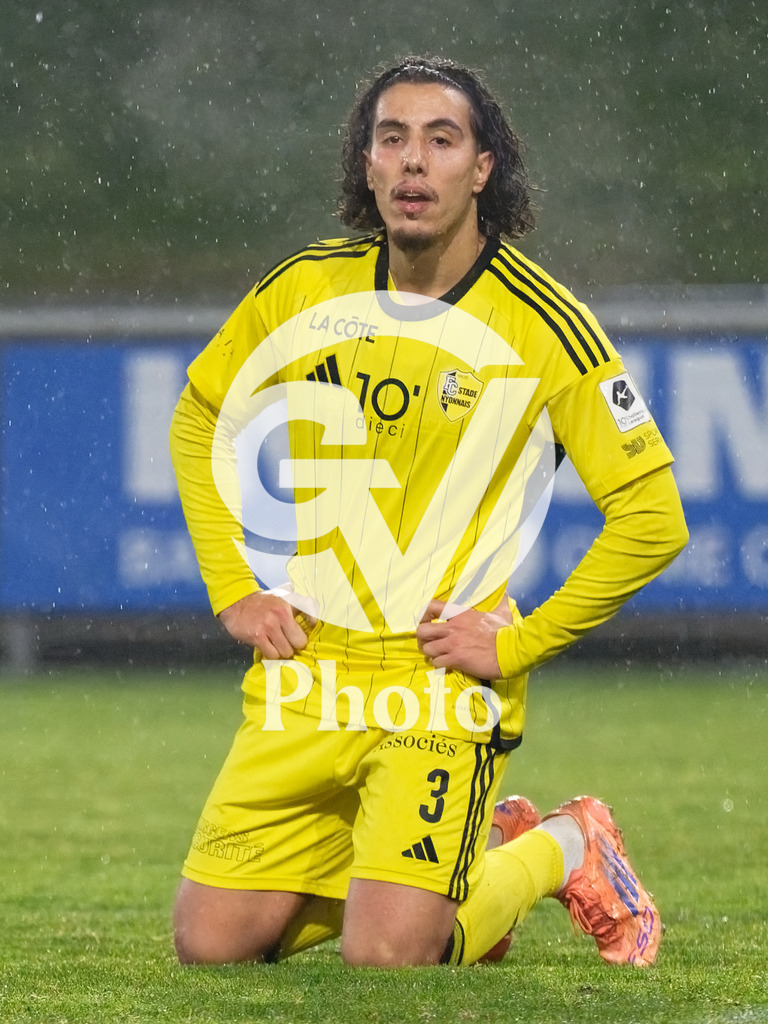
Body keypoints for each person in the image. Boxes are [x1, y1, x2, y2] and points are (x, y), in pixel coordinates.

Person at [168, 55, 688, 969]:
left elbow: (653, 516)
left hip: (437, 680)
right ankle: (438, 869)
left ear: (482, 169)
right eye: (392, 138)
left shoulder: (544, 323)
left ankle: (565, 844)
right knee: (212, 947)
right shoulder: (304, 289)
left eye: (441, 140)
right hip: (309, 672)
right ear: (366, 164)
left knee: (388, 961)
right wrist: (232, 586)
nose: (414, 162)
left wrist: (517, 646)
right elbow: (202, 412)